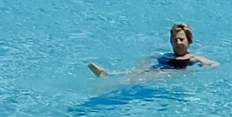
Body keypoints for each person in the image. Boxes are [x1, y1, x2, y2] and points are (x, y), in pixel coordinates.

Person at [88, 22, 217, 78]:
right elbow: (149, 59)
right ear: (171, 41)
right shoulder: (165, 56)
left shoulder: (193, 58)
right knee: (138, 74)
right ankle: (108, 74)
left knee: (141, 78)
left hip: (168, 74)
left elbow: (214, 64)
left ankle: (108, 75)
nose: (178, 43)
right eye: (175, 39)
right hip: (158, 70)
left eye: (181, 39)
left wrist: (193, 71)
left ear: (189, 41)